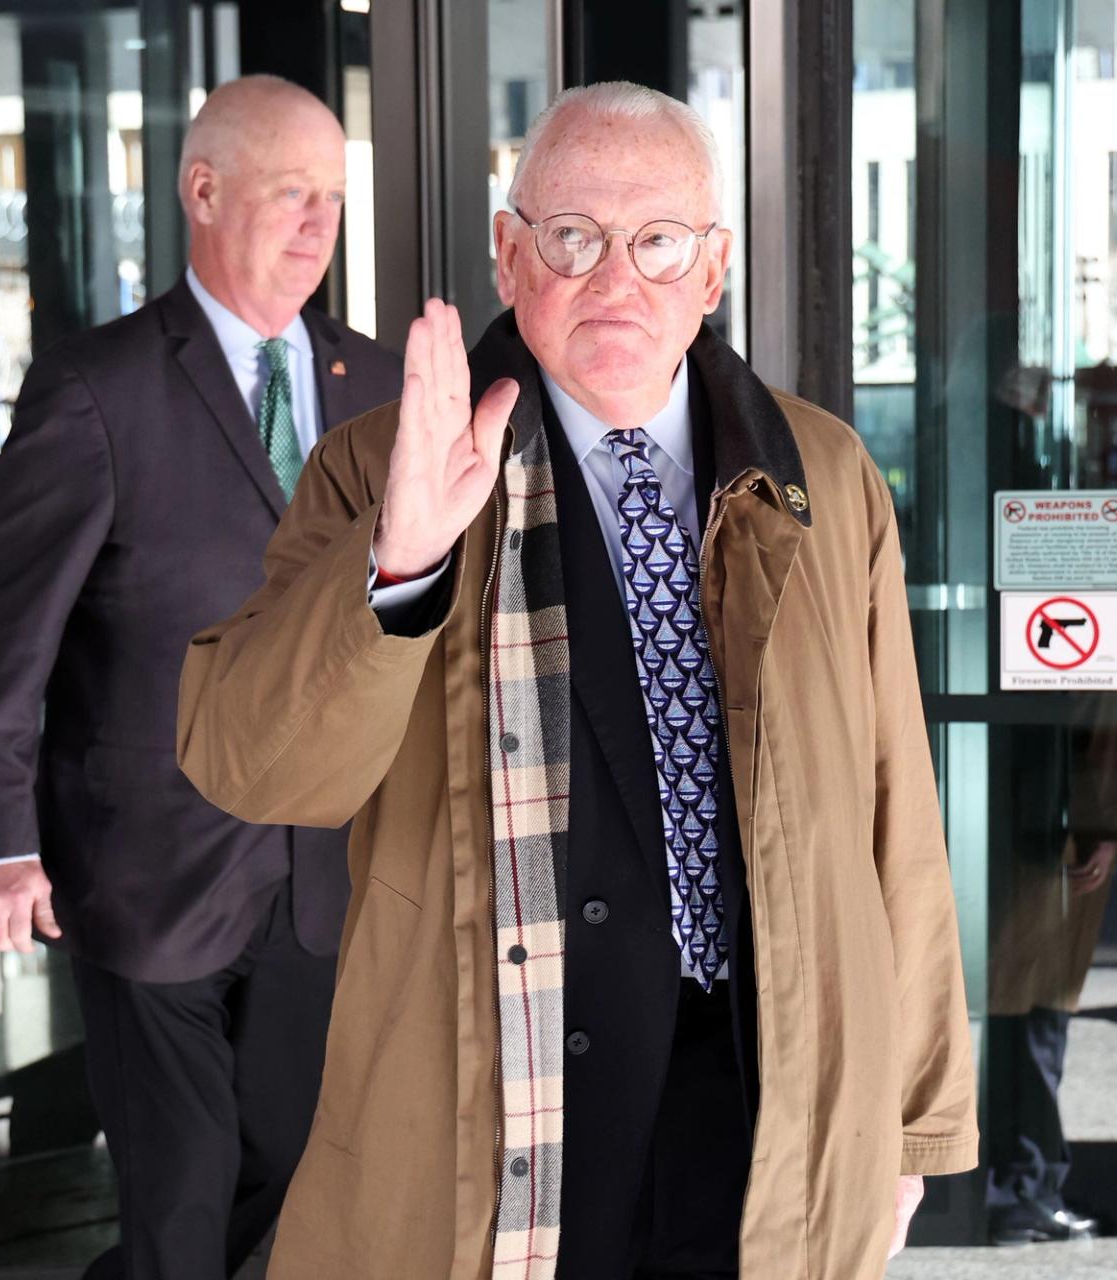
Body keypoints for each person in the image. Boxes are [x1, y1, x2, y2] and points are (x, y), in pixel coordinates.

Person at [176, 82, 976, 1279]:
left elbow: (891, 806)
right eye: (573, 238)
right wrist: (402, 563)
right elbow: (256, 763)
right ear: (510, 254)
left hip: (765, 1091)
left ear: (712, 272)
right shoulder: (378, 467)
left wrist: (913, 1115)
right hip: (509, 1111)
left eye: (658, 241)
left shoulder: (824, 472)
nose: (618, 278)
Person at [0, 76, 401, 1280]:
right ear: (201, 190)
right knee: (180, 1196)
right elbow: (4, 635)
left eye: (334, 199)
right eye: (291, 192)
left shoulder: (387, 386)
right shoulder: (98, 387)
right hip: (147, 867)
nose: (319, 226)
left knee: (296, 1183)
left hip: (327, 870)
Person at [984, 696, 1117, 1244]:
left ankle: (1017, 1186)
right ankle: (1024, 1189)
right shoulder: (1081, 620)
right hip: (1048, 841)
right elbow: (1105, 732)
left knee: (1010, 1018)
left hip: (990, 816)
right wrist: (1106, 828)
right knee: (1034, 1016)